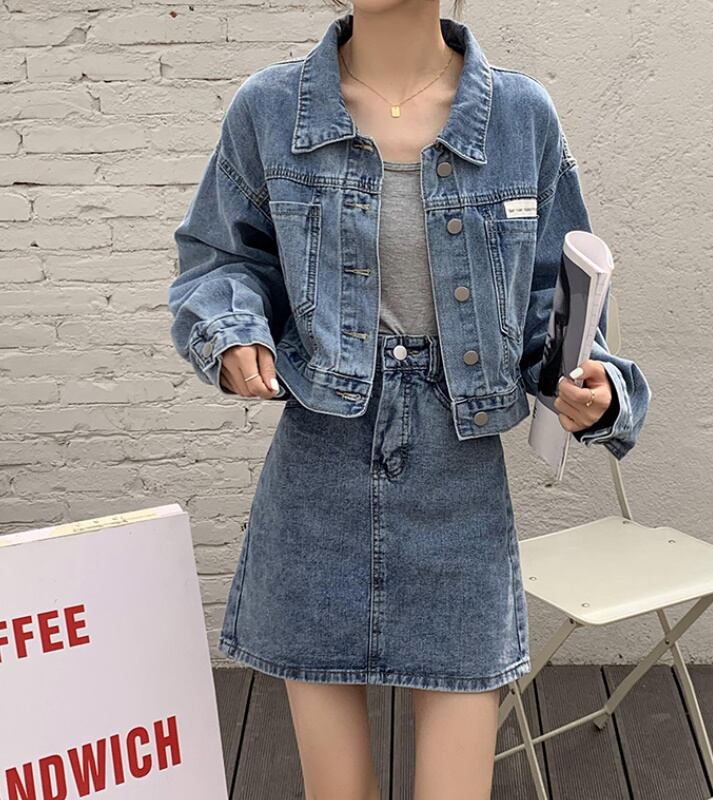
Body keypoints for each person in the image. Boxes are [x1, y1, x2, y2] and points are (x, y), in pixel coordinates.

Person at [167, 2, 651, 798]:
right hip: (318, 479)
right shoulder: (270, 109)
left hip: (459, 486)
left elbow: (552, 302)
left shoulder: (520, 116)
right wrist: (232, 333)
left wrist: (590, 385)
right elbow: (220, 260)